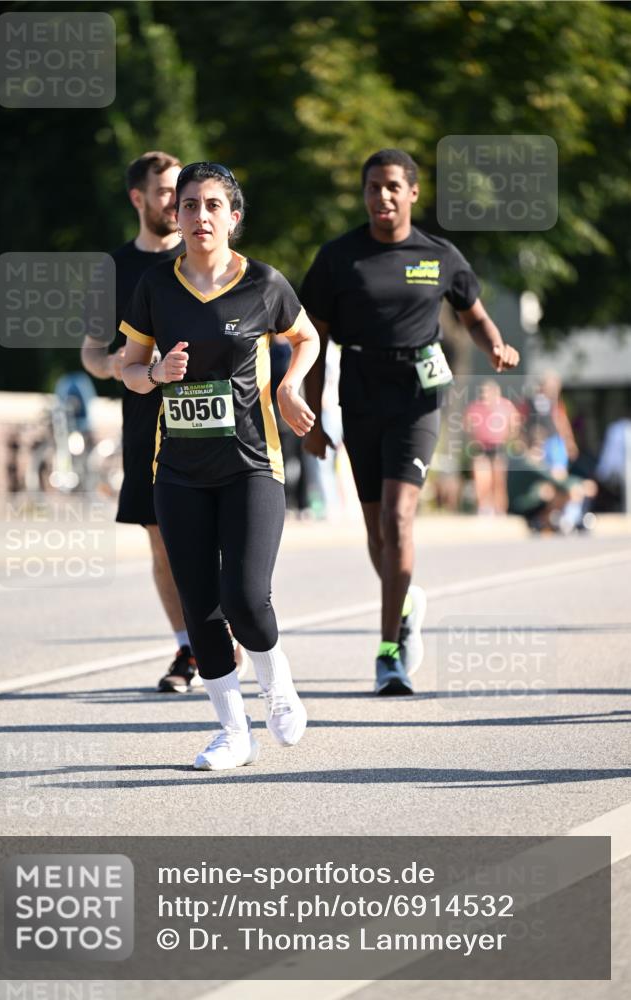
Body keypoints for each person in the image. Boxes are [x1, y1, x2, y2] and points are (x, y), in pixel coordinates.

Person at [120, 161, 320, 770]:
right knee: (201, 604)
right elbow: (129, 368)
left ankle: (276, 683)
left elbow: (306, 337)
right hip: (179, 470)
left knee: (246, 598)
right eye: (188, 205)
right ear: (175, 215)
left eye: (212, 205)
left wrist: (289, 385)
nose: (199, 215)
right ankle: (234, 732)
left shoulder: (263, 283)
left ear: (233, 217)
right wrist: (156, 373)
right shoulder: (156, 285)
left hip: (251, 463)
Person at [301, 148, 520, 696]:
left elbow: (474, 315)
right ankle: (404, 602)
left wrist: (495, 345)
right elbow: (313, 340)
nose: (382, 196)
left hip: (419, 395)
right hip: (359, 391)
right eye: (373, 186)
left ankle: (388, 653)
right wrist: (311, 418)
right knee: (377, 529)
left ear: (413, 193)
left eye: (393, 186)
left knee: (398, 518)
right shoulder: (338, 258)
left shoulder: (439, 254)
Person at [81, 151, 245, 692]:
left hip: (214, 418)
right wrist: (120, 366)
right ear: (139, 198)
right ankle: (189, 649)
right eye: (166, 193)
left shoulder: (206, 252)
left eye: (185, 193)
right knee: (163, 541)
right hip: (145, 417)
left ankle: (231, 624)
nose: (179, 203)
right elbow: (92, 352)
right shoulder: (115, 270)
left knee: (221, 537)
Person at [464, 380, 520, 515]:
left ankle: (500, 509)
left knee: (498, 481)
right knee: (482, 479)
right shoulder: (475, 407)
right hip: (481, 447)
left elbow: (515, 424)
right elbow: (467, 425)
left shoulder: (506, 406)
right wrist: (474, 438)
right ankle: (483, 507)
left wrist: (507, 438)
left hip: (498, 447)